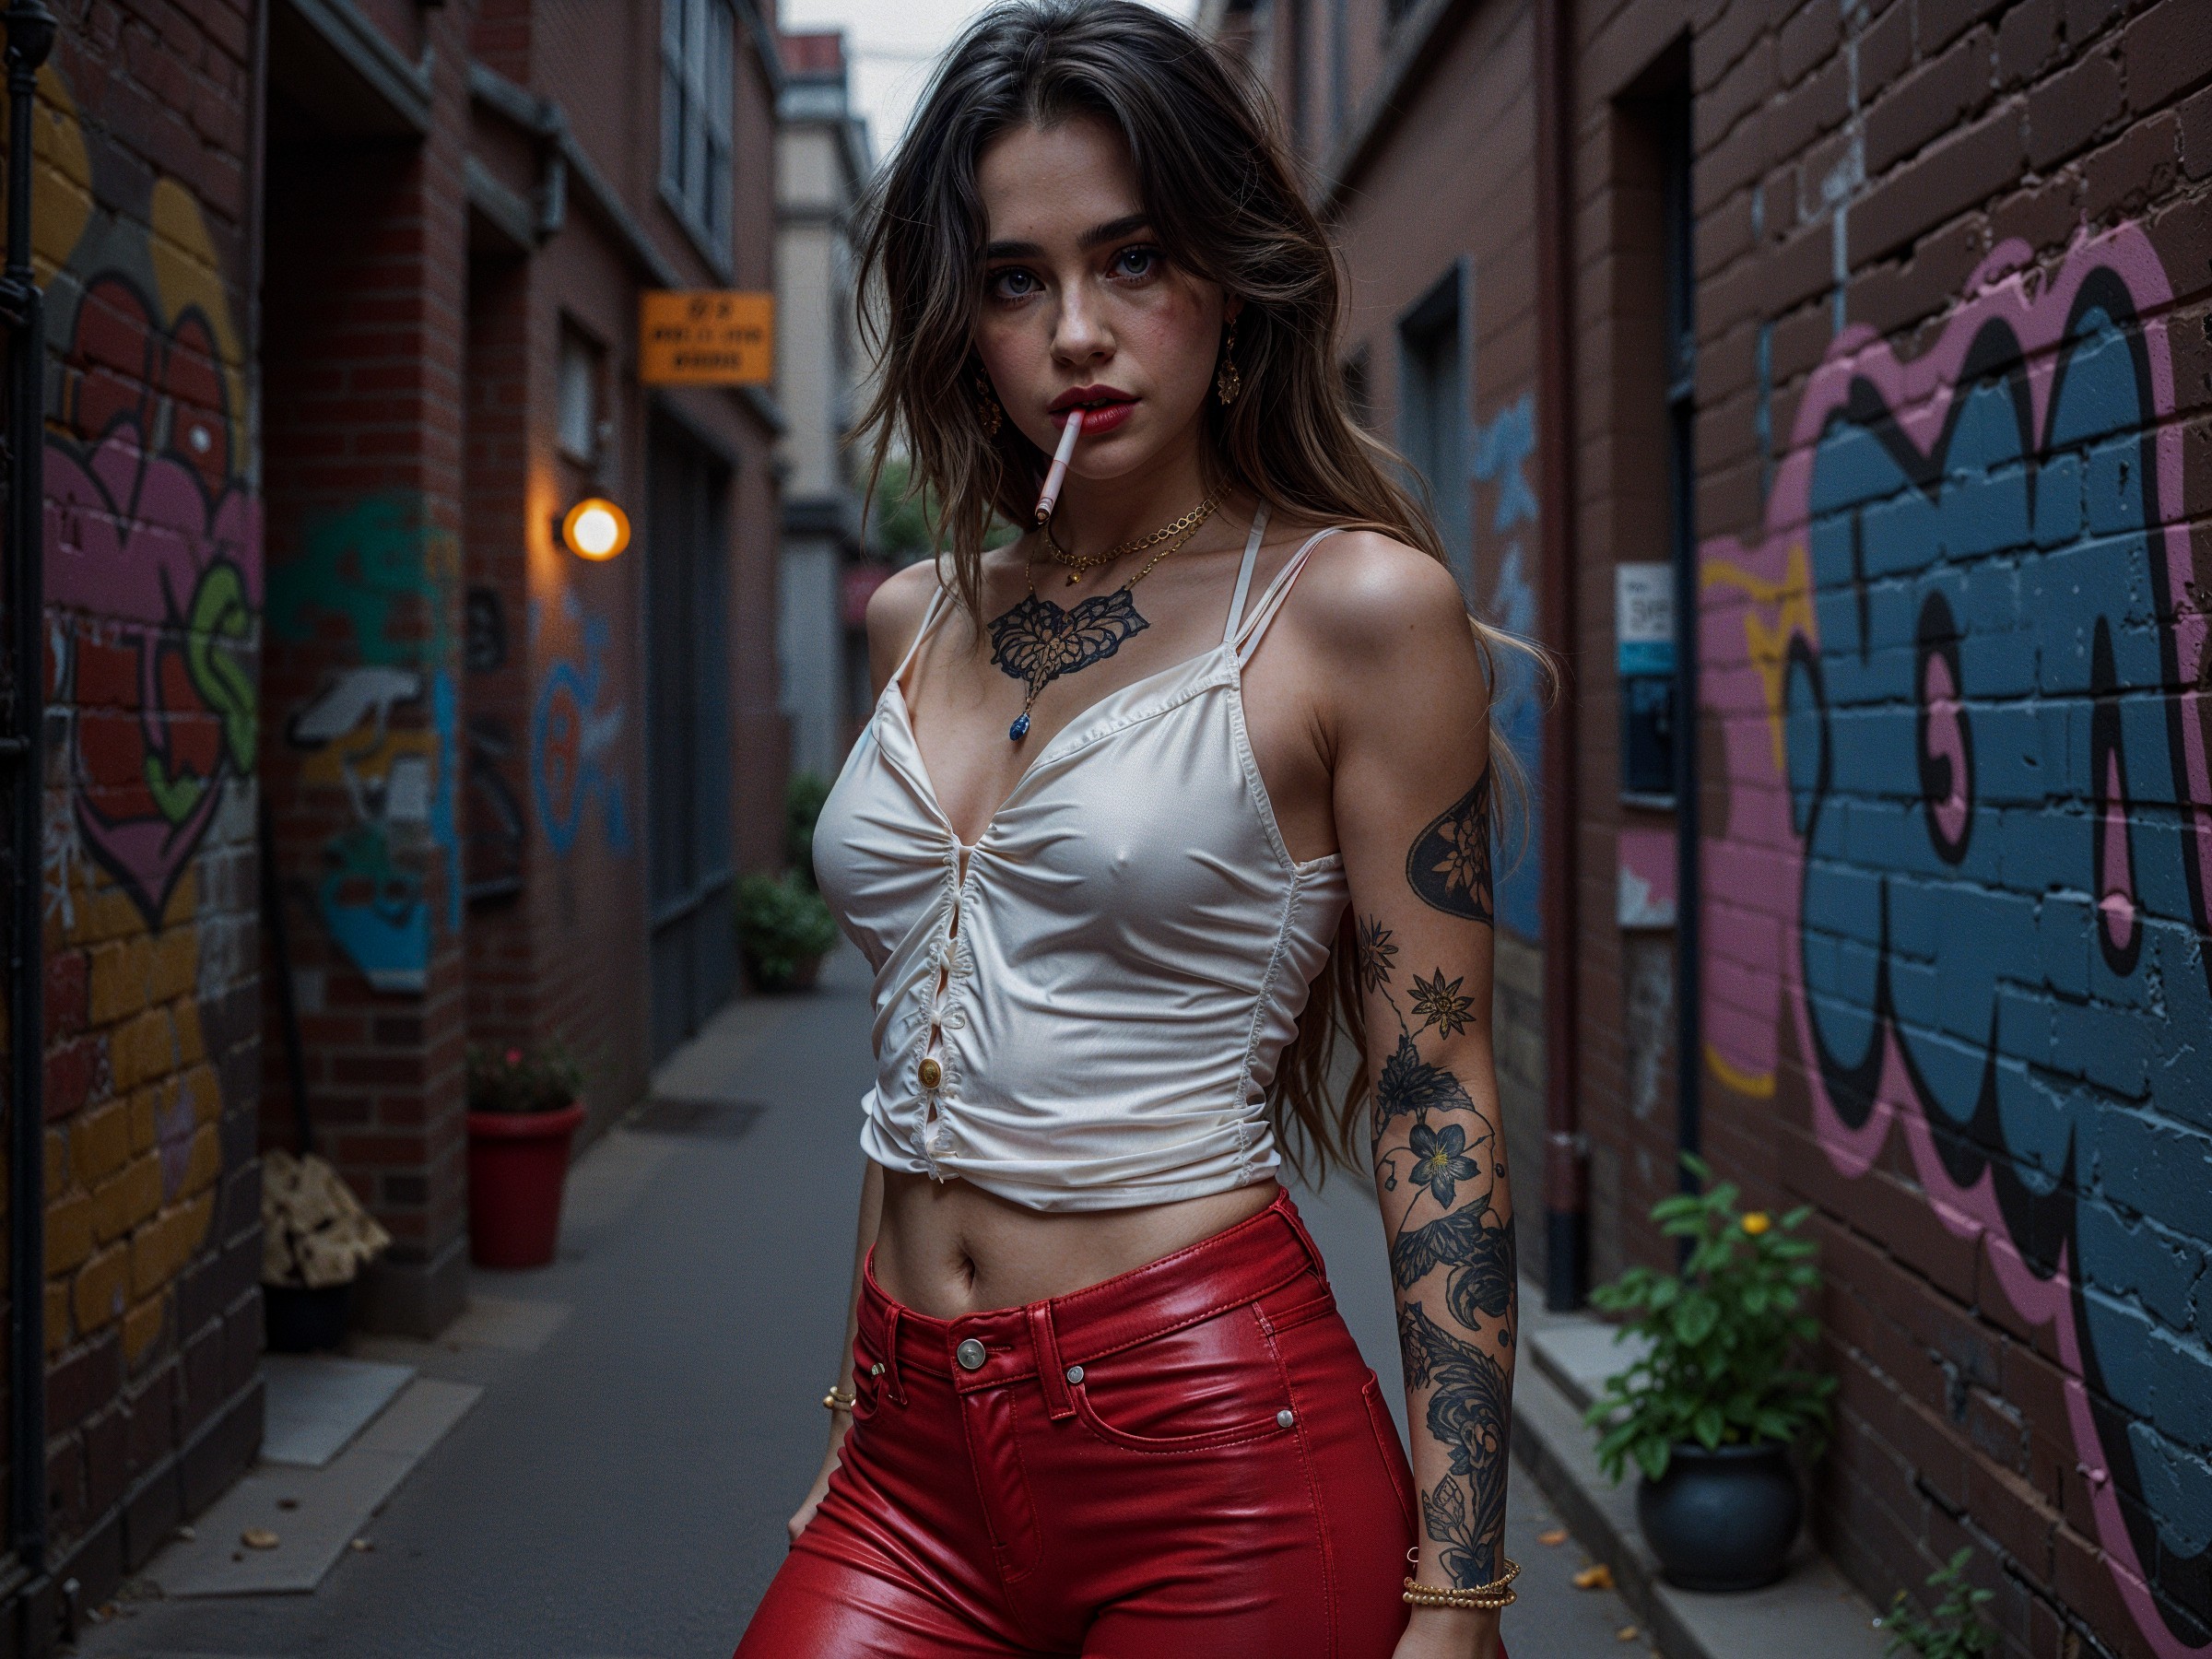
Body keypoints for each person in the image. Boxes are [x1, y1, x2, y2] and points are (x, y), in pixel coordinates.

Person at [735, 4, 1531, 1653]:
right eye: (1015, 280)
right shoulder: (914, 620)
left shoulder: (1352, 612)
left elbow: (1435, 1092)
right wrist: (852, 1411)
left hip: (1216, 1446)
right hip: (908, 1451)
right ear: (964, 322)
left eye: (1134, 259)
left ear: (1230, 283)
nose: (1078, 333)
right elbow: (913, 1049)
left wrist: (1460, 1587)